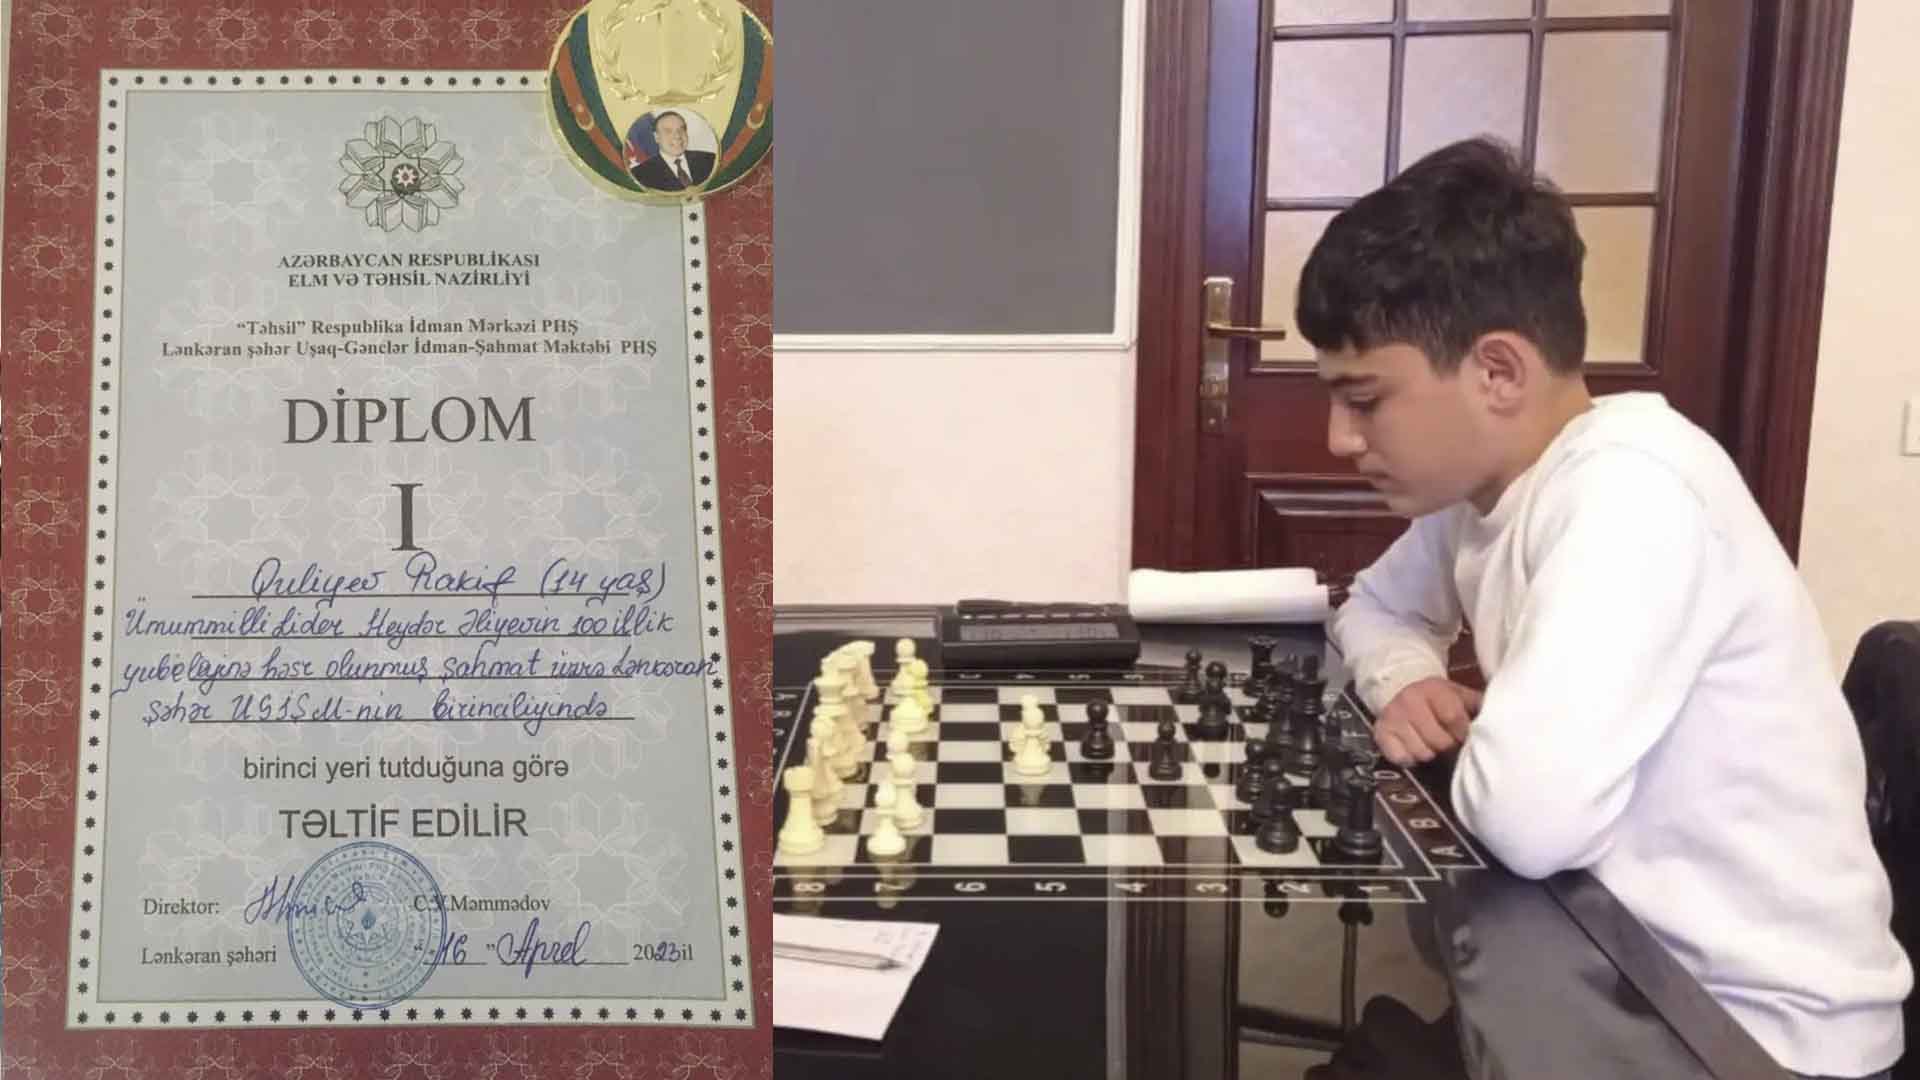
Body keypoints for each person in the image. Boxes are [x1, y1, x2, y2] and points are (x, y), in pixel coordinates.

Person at [1302, 136, 1911, 1080]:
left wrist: (1489, 737)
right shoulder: (1486, 489)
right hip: (1610, 965)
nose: (1340, 439)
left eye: (1365, 399)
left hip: (1751, 1035)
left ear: (1498, 372)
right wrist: (1408, 678)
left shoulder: (1635, 492)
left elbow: (1527, 820)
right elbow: (1373, 609)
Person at [631, 111, 714, 191]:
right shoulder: (639, 174)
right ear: (656, 137)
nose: (677, 136)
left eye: (681, 129)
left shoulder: (711, 160)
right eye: (668, 131)